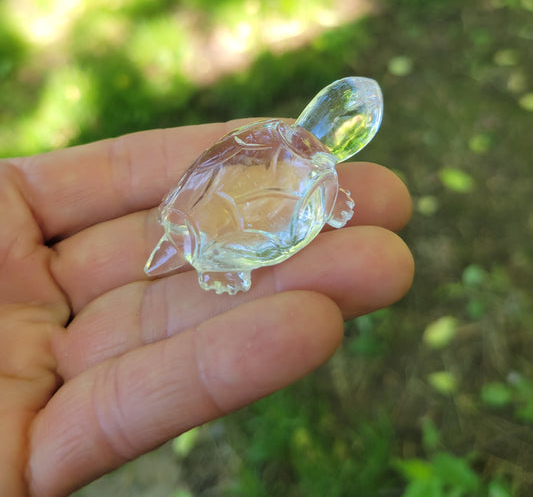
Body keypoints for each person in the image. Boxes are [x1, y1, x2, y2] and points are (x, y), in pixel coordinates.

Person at [0, 120, 414, 496]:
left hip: (284, 200)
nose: (162, 258)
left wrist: (326, 203)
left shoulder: (290, 166)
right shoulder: (185, 208)